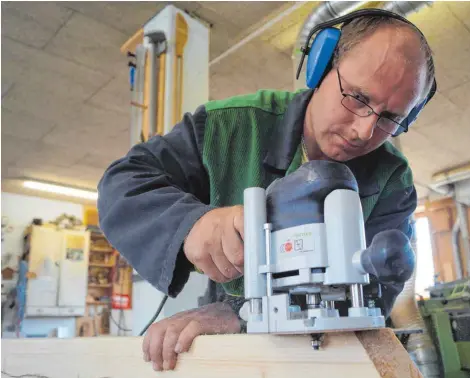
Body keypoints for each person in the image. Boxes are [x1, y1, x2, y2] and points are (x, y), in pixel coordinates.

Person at [97, 10, 436, 372]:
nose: (363, 132)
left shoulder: (393, 178)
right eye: (356, 97)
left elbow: (376, 294)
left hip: (332, 345)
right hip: (232, 329)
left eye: (390, 118)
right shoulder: (229, 126)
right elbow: (123, 183)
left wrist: (242, 317)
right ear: (320, 65)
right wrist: (189, 223)